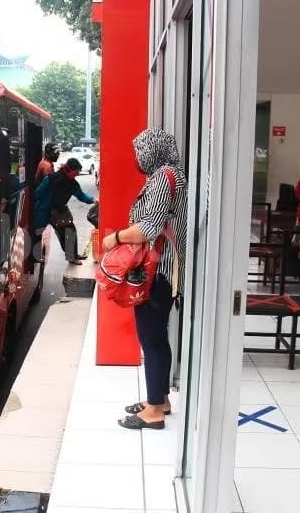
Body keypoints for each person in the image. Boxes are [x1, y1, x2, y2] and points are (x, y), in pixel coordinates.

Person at [102, 128, 188, 430]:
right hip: (164, 271)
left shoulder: (165, 178)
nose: (138, 158)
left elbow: (149, 228)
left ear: (153, 151)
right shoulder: (171, 174)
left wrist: (114, 238)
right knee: (157, 338)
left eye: (140, 151)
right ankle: (160, 399)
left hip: (158, 273)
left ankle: (153, 411)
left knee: (150, 339)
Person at [34, 157, 97, 265]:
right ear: (68, 170)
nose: (77, 174)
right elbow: (38, 193)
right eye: (76, 172)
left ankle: (72, 256)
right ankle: (35, 257)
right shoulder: (50, 179)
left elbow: (82, 196)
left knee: (70, 230)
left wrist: (94, 200)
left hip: (59, 211)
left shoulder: (73, 184)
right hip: (43, 211)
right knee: (37, 232)